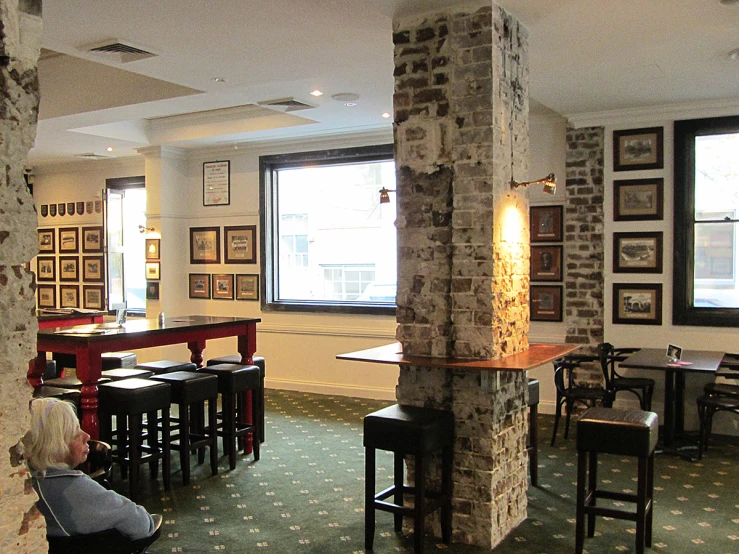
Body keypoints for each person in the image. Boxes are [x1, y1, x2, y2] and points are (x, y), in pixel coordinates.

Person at [24, 398, 158, 539]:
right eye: (76, 434)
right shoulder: (72, 488)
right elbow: (142, 524)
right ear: (55, 445)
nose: (86, 436)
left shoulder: (27, 481)